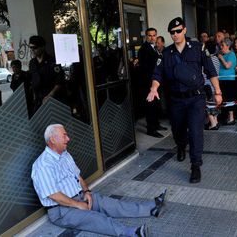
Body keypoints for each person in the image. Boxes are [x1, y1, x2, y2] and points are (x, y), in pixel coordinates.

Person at [31, 124, 167, 237]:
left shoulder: (65, 155)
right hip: (62, 210)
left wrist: (87, 192)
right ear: (52, 140)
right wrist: (77, 205)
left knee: (113, 204)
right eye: (64, 136)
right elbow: (54, 195)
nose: (68, 138)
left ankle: (151, 208)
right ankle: (131, 233)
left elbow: (77, 176)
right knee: (94, 218)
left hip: (80, 197)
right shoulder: (42, 165)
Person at [146, 17, 222, 183]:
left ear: (185, 30)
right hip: (176, 100)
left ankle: (195, 166)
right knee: (178, 129)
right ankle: (181, 145)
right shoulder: (165, 53)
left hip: (196, 98)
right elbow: (157, 74)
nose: (175, 34)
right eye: (172, 32)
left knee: (195, 132)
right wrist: (153, 88)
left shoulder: (198, 48)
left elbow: (210, 71)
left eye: (178, 31)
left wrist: (218, 91)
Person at [138, 28, 166, 138]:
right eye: (150, 35)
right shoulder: (143, 49)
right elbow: (145, 68)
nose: (152, 37)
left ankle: (156, 124)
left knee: (156, 105)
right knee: (150, 106)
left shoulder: (154, 47)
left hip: (155, 81)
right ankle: (151, 129)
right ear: (146, 36)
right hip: (148, 82)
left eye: (154, 35)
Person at [29, 35, 66, 113]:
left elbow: (60, 81)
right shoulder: (32, 63)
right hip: (38, 100)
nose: (32, 50)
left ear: (42, 47)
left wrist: (50, 95)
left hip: (53, 98)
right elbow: (33, 80)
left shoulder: (53, 61)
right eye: (31, 48)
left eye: (35, 48)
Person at [218, 40, 237, 124]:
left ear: (228, 46)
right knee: (223, 99)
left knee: (229, 98)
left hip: (229, 79)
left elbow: (227, 66)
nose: (221, 47)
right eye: (220, 45)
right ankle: (225, 117)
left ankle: (231, 118)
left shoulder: (231, 54)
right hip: (221, 79)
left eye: (222, 45)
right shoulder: (223, 55)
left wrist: (221, 58)